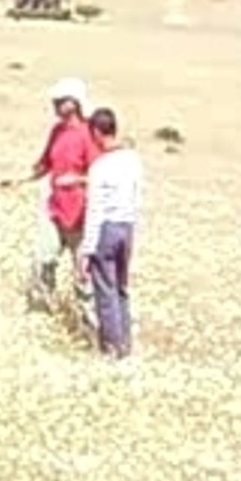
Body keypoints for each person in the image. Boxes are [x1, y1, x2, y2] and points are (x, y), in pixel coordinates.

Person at [1, 77, 100, 315]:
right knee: (43, 259)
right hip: (55, 209)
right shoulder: (57, 131)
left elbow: (101, 176)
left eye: (61, 101)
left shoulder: (88, 134)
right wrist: (20, 180)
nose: (55, 105)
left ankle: (90, 322)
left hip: (81, 214)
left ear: (75, 103)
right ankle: (42, 310)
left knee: (83, 273)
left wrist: (76, 180)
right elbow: (45, 164)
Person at [76, 107, 144, 361]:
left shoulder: (100, 167)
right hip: (127, 226)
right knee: (121, 287)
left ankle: (112, 347)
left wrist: (86, 250)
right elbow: (137, 199)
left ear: (96, 132)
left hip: (106, 228)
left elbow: (95, 211)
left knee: (105, 289)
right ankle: (126, 342)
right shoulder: (133, 161)